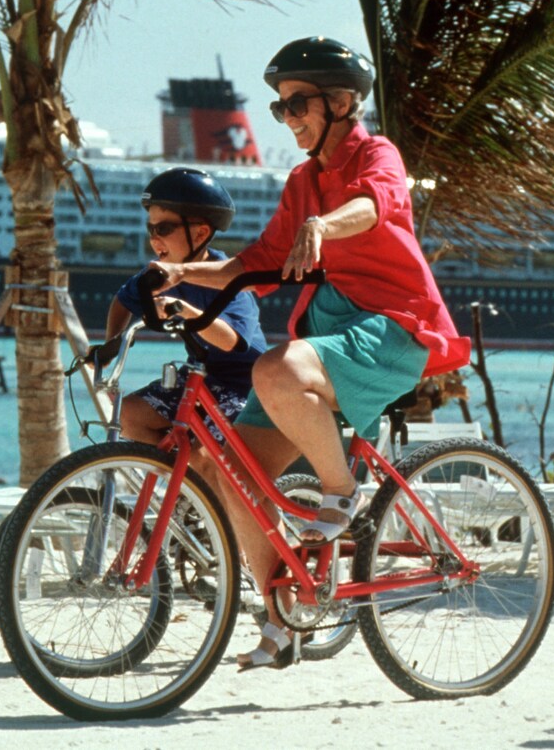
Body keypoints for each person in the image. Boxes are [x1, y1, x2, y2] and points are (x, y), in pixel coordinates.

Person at [145, 36, 471, 671]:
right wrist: (180, 271)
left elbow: (375, 207)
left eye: (298, 104)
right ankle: (286, 617)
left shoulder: (377, 153)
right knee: (231, 474)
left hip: (392, 326)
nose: (289, 118)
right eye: (280, 108)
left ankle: (341, 490)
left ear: (342, 102)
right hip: (332, 331)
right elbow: (254, 265)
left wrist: (323, 225)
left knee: (276, 364)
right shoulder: (303, 179)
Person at [104, 167, 267, 447]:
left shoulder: (227, 279)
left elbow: (230, 341)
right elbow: (122, 301)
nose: (154, 238)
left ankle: (195, 476)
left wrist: (182, 309)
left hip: (246, 386)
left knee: (209, 457)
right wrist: (111, 345)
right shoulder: (159, 275)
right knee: (127, 414)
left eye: (164, 229)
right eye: (150, 228)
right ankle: (187, 483)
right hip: (200, 375)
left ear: (201, 233)